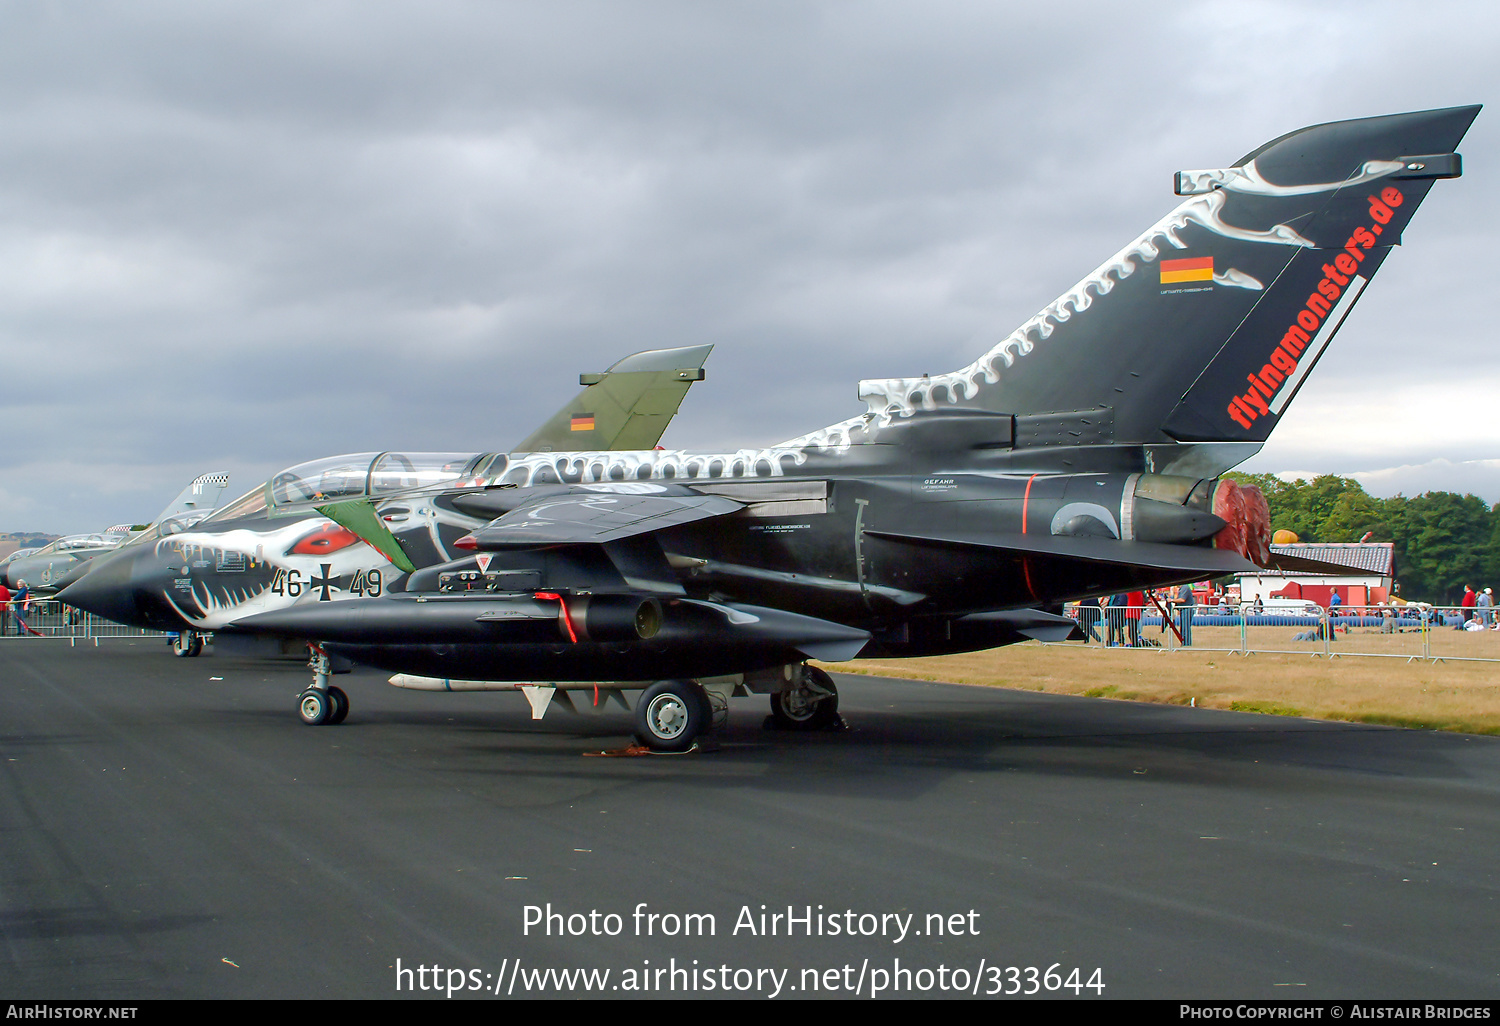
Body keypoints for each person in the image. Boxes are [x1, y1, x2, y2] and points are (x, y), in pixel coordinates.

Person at [1176, 581, 1195, 646]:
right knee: (1183, 627)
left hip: (1187, 610)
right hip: (1183, 610)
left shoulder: (1185, 588)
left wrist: (1172, 600)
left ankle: (1187, 643)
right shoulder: (1181, 589)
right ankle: (1184, 642)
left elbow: (1182, 599)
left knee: (1186, 627)